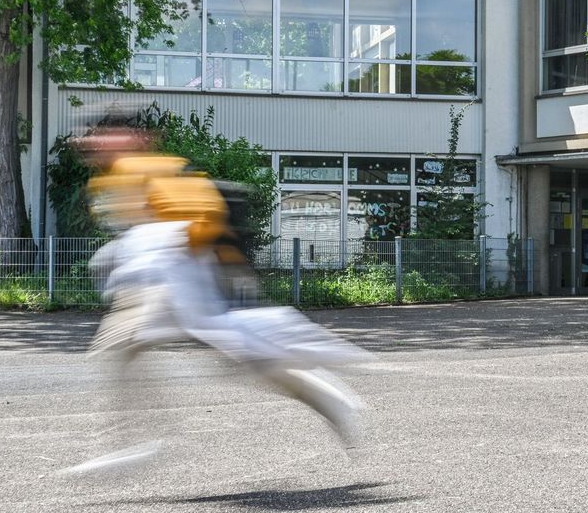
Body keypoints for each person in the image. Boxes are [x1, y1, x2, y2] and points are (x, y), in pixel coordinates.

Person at [62, 109, 371, 475]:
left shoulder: (151, 168)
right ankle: (329, 402)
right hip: (167, 274)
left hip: (177, 272)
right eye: (91, 137)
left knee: (132, 345)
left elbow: (203, 216)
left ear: (136, 137)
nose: (93, 142)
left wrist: (211, 262)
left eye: (104, 133)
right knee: (241, 356)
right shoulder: (110, 182)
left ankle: (139, 439)